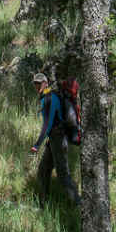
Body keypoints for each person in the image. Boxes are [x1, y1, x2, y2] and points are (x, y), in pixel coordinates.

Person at [30, 73, 80, 206]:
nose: (37, 86)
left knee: (63, 175)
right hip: (54, 139)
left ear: (45, 83)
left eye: (39, 83)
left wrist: (37, 144)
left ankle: (79, 205)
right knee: (43, 170)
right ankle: (43, 204)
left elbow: (48, 123)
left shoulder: (50, 98)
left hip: (58, 138)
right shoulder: (47, 96)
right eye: (35, 84)